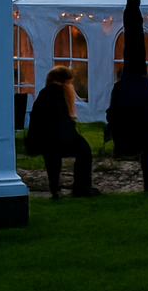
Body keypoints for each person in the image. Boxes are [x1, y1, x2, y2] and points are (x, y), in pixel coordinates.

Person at [107, 0, 148, 191]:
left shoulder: (123, 88)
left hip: (132, 90)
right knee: (134, 49)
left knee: (132, 49)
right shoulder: (144, 88)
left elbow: (111, 112)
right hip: (143, 123)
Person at [27, 67, 100, 198]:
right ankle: (82, 186)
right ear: (65, 82)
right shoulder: (59, 94)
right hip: (60, 136)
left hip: (41, 139)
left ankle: (55, 188)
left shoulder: (43, 96)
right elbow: (63, 122)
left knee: (52, 158)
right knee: (84, 151)